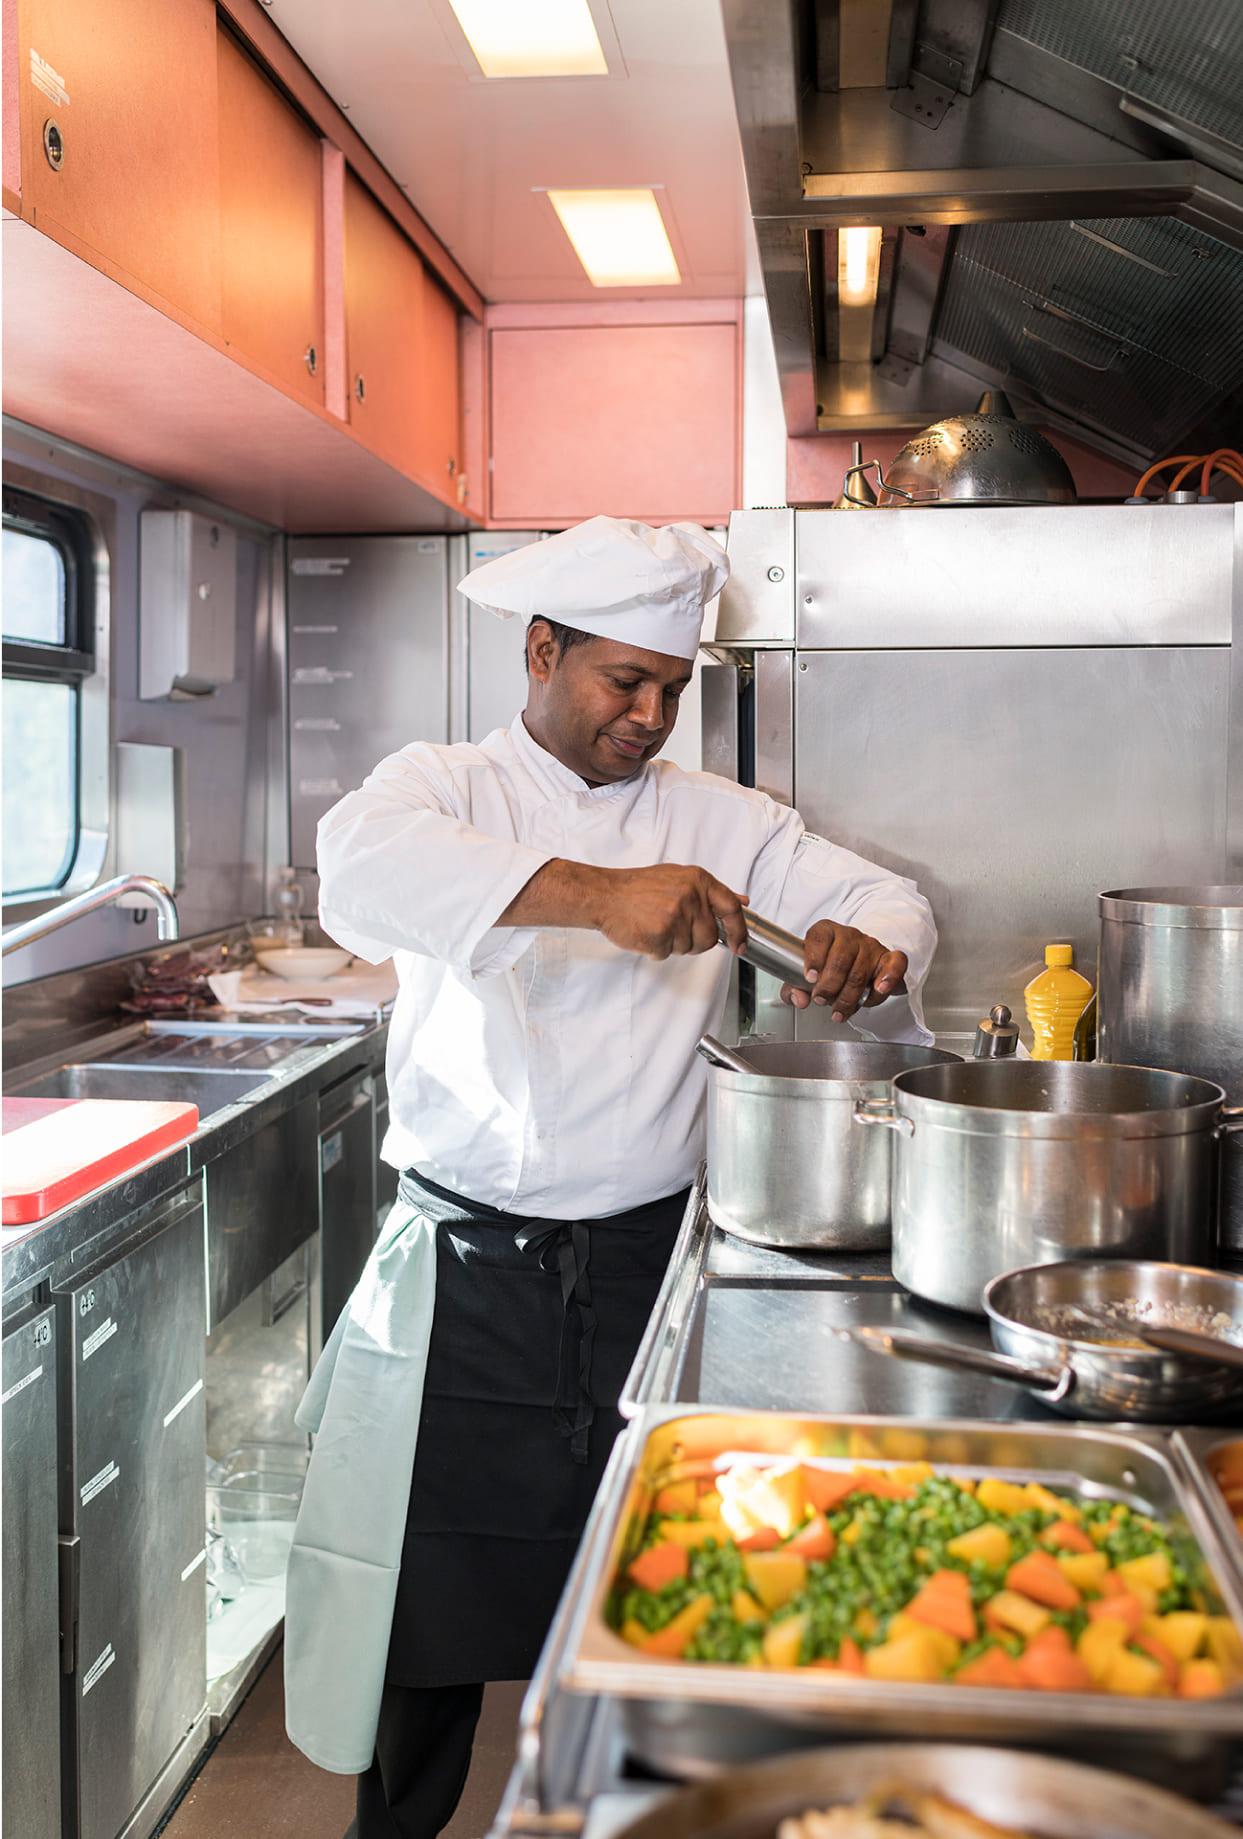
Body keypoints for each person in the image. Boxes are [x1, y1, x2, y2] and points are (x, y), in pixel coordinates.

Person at [284, 516, 937, 1838]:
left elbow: (889, 896)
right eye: (622, 683)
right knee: (421, 1632)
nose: (650, 717)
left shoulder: (720, 820)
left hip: (649, 1267)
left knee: (653, 1600)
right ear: (541, 653)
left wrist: (873, 940)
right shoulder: (444, 787)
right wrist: (590, 893)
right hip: (462, 1274)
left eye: (671, 691)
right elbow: (356, 875)